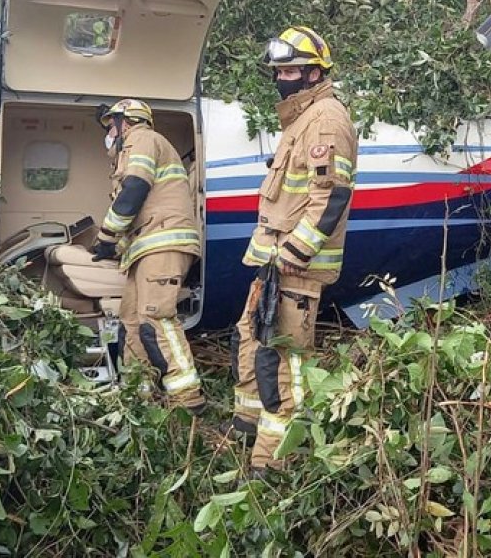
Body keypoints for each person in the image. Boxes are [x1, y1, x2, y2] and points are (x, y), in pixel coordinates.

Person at [223, 26, 357, 474]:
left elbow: (331, 196)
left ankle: (276, 459)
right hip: (272, 260)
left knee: (284, 358)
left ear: (316, 73)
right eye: (279, 70)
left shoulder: (325, 119)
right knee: (250, 335)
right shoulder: (300, 119)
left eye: (292, 69)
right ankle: (248, 424)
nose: (283, 77)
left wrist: (293, 255)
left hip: (293, 264)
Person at [92, 98, 205, 412]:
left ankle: (188, 400)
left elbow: (135, 190)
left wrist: (105, 236)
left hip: (163, 242)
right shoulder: (133, 148)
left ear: (125, 121)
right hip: (145, 247)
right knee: (132, 321)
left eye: (111, 126)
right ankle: (137, 394)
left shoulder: (141, 138)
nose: (109, 135)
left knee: (157, 319)